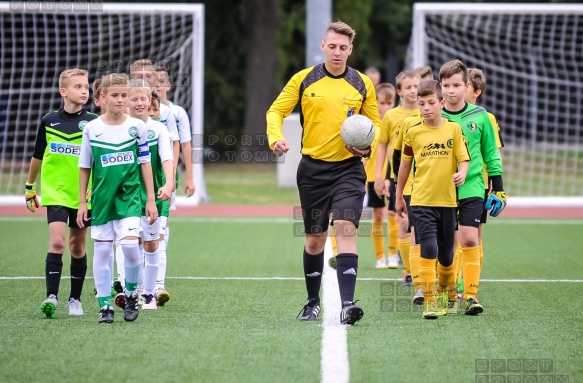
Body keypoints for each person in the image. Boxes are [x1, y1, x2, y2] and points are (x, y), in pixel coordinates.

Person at [266, 21, 380, 325]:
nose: (338, 52)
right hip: (313, 170)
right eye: (332, 46)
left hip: (349, 170)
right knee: (315, 239)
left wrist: (367, 148)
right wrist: (274, 137)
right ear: (323, 46)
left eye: (343, 47)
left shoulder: (362, 83)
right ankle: (313, 302)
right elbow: (275, 111)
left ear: (351, 49)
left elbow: (376, 124)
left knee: (346, 230)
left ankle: (347, 304)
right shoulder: (304, 79)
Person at [77, 73, 161, 323]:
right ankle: (105, 306)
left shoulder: (137, 127)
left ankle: (131, 294)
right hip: (102, 199)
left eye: (124, 95)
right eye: (115, 95)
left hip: (130, 198)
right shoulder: (92, 128)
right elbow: (84, 166)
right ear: (102, 97)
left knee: (128, 247)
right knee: (102, 253)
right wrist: (82, 201)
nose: (121, 100)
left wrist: (150, 199)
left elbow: (145, 163)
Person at [26, 68, 98, 318]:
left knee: (77, 246)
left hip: (83, 195)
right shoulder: (48, 121)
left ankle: (75, 300)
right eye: (78, 86)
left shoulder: (93, 122)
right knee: (57, 242)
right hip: (55, 191)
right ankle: (51, 296)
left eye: (86, 86)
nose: (84, 90)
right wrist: (29, 186)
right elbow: (37, 155)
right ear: (63, 91)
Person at [395, 80, 470, 319]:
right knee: (428, 247)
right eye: (421, 104)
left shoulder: (453, 129)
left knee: (447, 255)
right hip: (421, 200)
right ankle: (429, 300)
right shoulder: (413, 132)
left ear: (442, 102)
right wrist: (399, 197)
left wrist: (462, 172)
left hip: (447, 202)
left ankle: (445, 291)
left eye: (430, 103)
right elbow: (404, 166)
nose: (426, 108)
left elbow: (464, 158)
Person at [440, 60, 507, 315]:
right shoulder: (434, 115)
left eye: (457, 85)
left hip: (473, 187)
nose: (451, 91)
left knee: (469, 238)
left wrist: (498, 188)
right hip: (440, 190)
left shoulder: (481, 116)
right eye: (446, 85)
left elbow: (491, 153)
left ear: (467, 86)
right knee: (446, 244)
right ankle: (446, 292)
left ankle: (469, 294)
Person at [128, 59, 180, 306]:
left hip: (154, 191)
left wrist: (170, 183)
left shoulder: (161, 125)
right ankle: (128, 289)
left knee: (153, 240)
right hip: (126, 192)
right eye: (135, 99)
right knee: (127, 241)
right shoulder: (115, 126)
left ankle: (152, 289)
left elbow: (169, 155)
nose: (141, 103)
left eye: (144, 99)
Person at [457, 67, 505, 294]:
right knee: (455, 235)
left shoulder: (486, 117)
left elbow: (494, 150)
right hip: (452, 181)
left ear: (476, 92)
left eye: (465, 86)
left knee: (474, 234)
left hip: (479, 183)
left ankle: (469, 283)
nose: (461, 89)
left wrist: (497, 186)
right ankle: (454, 282)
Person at [154, 64, 196, 304]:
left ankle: (158, 279)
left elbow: (185, 144)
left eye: (161, 81)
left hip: (167, 174)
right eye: (153, 81)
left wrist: (189, 176)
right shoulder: (138, 111)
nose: (157, 86)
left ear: (168, 86)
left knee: (162, 225)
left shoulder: (176, 112)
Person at [374, 70, 421, 269]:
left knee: (420, 227)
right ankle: (409, 271)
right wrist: (379, 176)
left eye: (416, 86)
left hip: (425, 180)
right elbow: (383, 145)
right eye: (408, 87)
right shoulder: (392, 116)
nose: (413, 91)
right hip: (399, 179)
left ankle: (421, 268)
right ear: (400, 92)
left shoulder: (427, 112)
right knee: (403, 224)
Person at [363, 83, 396, 269]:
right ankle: (379, 256)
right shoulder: (369, 124)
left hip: (391, 176)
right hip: (373, 177)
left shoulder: (395, 122)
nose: (385, 107)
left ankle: (393, 254)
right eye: (381, 103)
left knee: (393, 213)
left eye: (389, 103)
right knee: (377, 216)